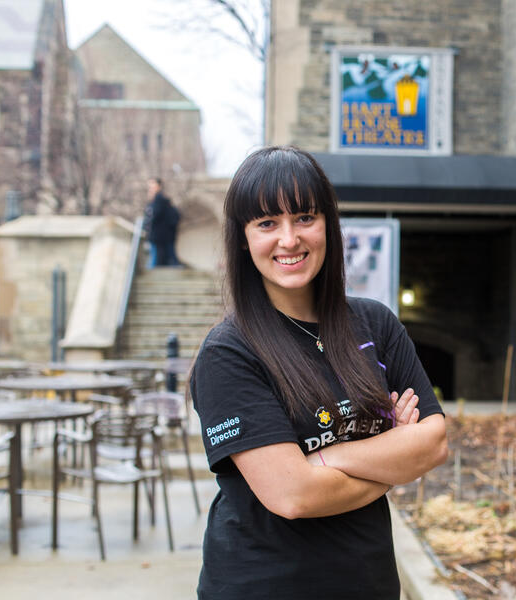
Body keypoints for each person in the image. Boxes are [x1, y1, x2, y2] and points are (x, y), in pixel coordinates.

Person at [189, 145, 448, 599]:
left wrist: (331, 459)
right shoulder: (228, 353)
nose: (289, 239)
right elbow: (294, 496)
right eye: (267, 223)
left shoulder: (375, 323)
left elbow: (433, 442)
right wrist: (393, 458)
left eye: (305, 217)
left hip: (368, 584)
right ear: (243, 238)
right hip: (263, 587)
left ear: (328, 223)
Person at [144, 177, 181, 267]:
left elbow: (156, 215)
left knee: (155, 259)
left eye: (153, 185)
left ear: (158, 186)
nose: (150, 188)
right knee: (156, 257)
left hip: (158, 235)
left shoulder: (159, 199)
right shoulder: (157, 199)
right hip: (159, 235)